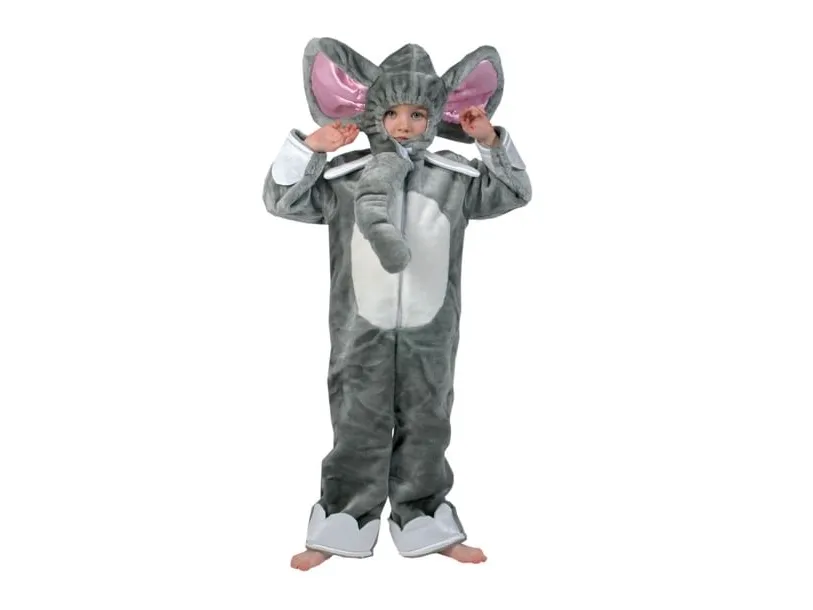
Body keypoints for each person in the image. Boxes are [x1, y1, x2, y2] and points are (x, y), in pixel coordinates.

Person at [262, 37, 532, 571]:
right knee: (356, 421)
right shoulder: (346, 178)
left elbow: (513, 193)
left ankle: (424, 516)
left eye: (417, 114)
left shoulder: (454, 179)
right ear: (369, 113)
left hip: (432, 332)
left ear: (437, 116)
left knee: (428, 421)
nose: (403, 125)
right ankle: (343, 519)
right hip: (358, 331)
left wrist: (489, 141)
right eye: (391, 114)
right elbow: (281, 201)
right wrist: (313, 147)